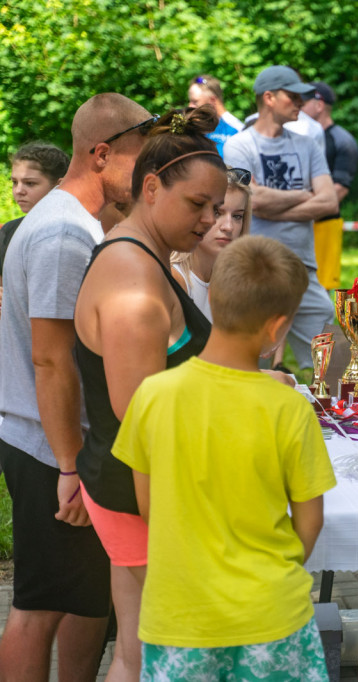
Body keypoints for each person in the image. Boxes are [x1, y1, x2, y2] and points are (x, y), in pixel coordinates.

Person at [112, 235, 336, 681]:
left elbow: (148, 507)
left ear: (212, 299)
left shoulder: (152, 395)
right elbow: (310, 522)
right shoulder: (290, 409)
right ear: (277, 328)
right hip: (272, 616)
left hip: (179, 616)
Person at [0, 92, 152, 682]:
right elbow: (51, 359)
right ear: (102, 154)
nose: (146, 174)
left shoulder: (77, 222)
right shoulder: (64, 232)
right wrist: (69, 464)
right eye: (139, 158)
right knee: (38, 608)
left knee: (81, 601)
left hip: (62, 445)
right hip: (49, 449)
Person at [74, 105, 227, 681]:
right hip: (144, 498)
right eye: (198, 204)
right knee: (173, 658)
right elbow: (141, 410)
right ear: (153, 187)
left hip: (132, 489)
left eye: (217, 207)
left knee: (137, 656)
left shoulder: (144, 258)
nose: (210, 220)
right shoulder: (133, 277)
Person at [224, 65, 337, 371]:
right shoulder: (239, 145)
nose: (300, 102)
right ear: (269, 98)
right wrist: (304, 194)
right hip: (256, 268)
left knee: (331, 363)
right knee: (252, 361)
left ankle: (324, 401)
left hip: (303, 268)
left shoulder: (307, 145)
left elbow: (328, 200)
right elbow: (253, 200)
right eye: (293, 96)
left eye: (302, 97)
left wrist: (268, 202)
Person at [171, 167, 253, 320]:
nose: (228, 227)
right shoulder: (175, 280)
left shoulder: (236, 282)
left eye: (237, 216)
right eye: (217, 213)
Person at [302, 81, 358, 290]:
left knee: (320, 289)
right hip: (298, 221)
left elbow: (340, 189)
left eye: (304, 101)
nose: (298, 105)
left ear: (319, 105)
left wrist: (300, 211)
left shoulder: (342, 140)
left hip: (324, 224)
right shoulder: (299, 135)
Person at [1, 142, 70, 285]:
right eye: (14, 182)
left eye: (30, 183)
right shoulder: (8, 231)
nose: (18, 191)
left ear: (59, 185)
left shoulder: (72, 231)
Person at [187, 74, 244, 156]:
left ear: (212, 100)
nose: (190, 106)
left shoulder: (237, 129)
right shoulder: (195, 129)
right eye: (190, 101)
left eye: (195, 102)